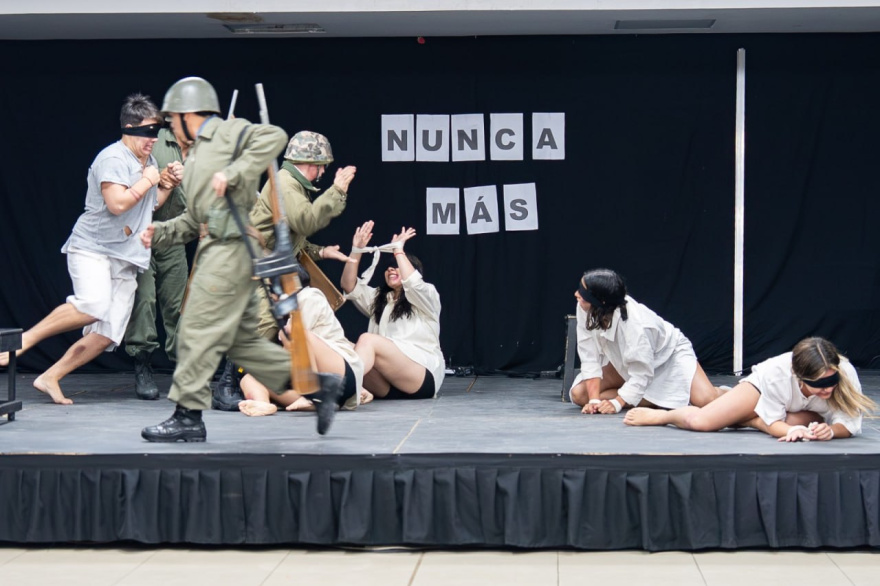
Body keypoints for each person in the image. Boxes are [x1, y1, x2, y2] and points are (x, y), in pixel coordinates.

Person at [138, 76, 341, 442]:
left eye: (173, 119)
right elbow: (196, 219)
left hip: (231, 251)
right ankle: (318, 385)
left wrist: (233, 172)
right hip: (219, 249)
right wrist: (161, 233)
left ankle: (187, 417)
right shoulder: (195, 155)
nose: (171, 127)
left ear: (190, 114)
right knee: (242, 343)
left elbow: (273, 137)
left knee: (195, 330)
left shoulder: (225, 132)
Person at [0, 94, 171, 404]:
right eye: (147, 132)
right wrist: (149, 181)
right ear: (129, 128)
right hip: (94, 248)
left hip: (126, 256)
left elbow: (149, 205)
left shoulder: (149, 162)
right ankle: (25, 340)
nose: (153, 139)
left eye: (156, 131)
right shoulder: (113, 158)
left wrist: (166, 185)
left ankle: (50, 376)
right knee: (92, 304)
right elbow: (117, 204)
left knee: (108, 332)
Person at [211, 131, 356, 411]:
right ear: (310, 163)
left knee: (268, 324)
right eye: (322, 165)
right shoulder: (287, 184)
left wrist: (321, 252)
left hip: (266, 263)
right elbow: (305, 220)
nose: (323, 172)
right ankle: (226, 384)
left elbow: (289, 236)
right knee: (263, 324)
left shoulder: (292, 185)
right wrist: (337, 190)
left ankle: (246, 381)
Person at [624, 337, 876, 441]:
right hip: (763, 391)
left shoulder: (845, 373)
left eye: (831, 382)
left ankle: (746, 414)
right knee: (702, 421)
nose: (827, 389)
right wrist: (788, 430)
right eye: (819, 384)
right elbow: (774, 423)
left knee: (806, 425)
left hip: (803, 411)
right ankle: (664, 415)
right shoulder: (777, 374)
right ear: (799, 377)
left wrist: (828, 431)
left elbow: (850, 423)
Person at [569, 268, 721, 414]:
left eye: (583, 292)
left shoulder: (637, 327)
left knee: (706, 400)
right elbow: (589, 353)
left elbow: (642, 373)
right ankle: (660, 398)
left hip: (667, 357)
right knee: (580, 395)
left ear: (600, 301)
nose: (577, 294)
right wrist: (594, 401)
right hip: (625, 360)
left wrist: (617, 403)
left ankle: (665, 398)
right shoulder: (586, 307)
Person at [237, 265, 368, 416]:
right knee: (249, 378)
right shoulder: (290, 310)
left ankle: (315, 396)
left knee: (291, 332)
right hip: (324, 388)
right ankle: (262, 403)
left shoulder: (309, 295)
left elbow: (294, 343)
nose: (271, 294)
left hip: (341, 373)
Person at [340, 221, 444, 399]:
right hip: (387, 386)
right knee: (342, 345)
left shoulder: (427, 295)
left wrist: (398, 251)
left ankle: (343, 388)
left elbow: (413, 283)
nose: (391, 269)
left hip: (421, 376)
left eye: (396, 265)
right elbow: (348, 285)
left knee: (367, 339)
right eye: (389, 267)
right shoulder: (380, 298)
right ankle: (355, 388)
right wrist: (357, 250)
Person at [123, 124, 188, 400]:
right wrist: (160, 179)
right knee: (144, 299)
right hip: (143, 232)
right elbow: (129, 177)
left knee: (180, 304)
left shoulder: (208, 148)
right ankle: (142, 363)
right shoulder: (154, 140)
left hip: (175, 235)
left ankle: (184, 370)